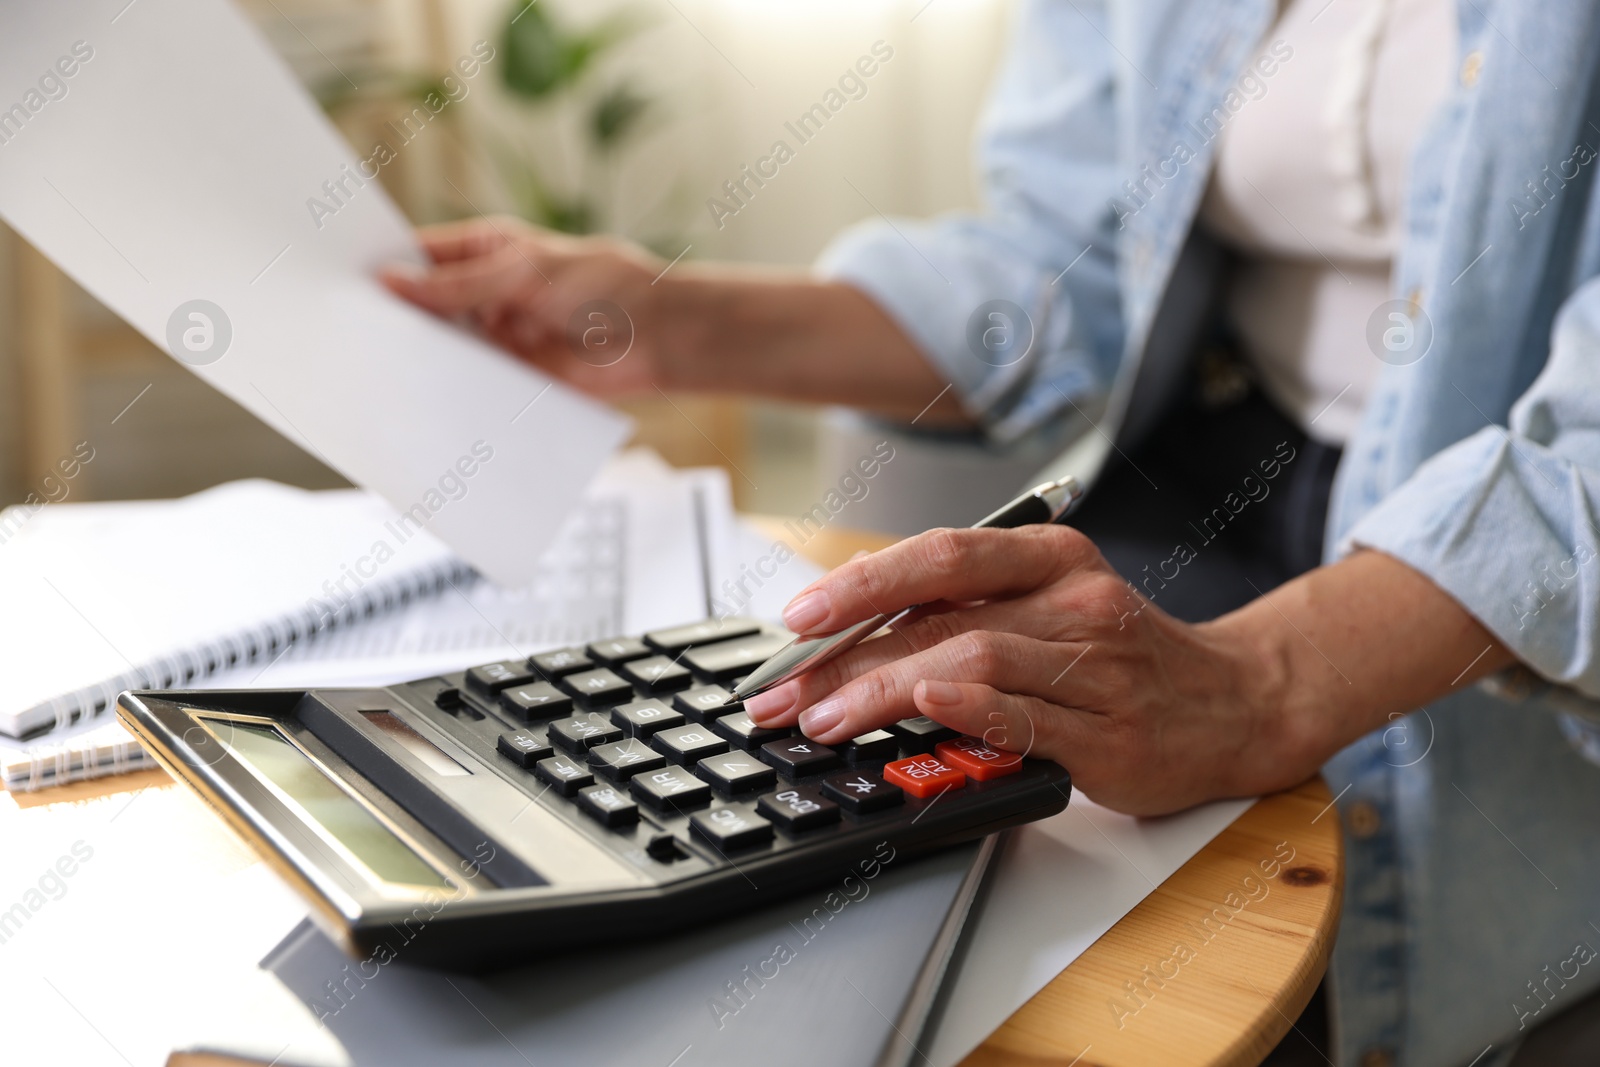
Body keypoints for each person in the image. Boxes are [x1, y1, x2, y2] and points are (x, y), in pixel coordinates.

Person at [382, 1, 1600, 1063]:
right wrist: (667, 318)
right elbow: (1061, 269)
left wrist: (1258, 687)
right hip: (1179, 500)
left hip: (1456, 619)